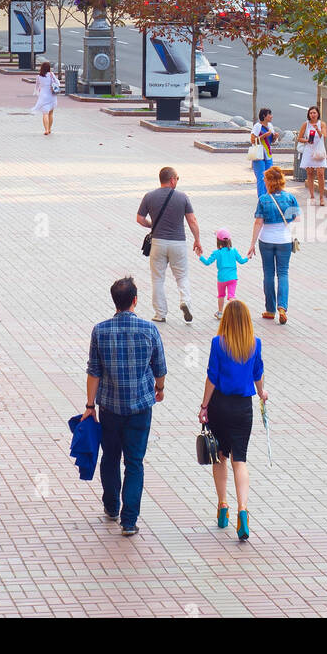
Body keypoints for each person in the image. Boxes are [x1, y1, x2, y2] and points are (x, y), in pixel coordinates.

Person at [83, 275, 166, 538]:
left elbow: (93, 371)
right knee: (134, 462)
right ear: (135, 300)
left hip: (109, 407)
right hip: (140, 406)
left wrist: (89, 405)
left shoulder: (100, 330)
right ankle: (129, 521)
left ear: (115, 301)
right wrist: (159, 388)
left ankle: (111, 506)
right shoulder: (149, 330)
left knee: (110, 457)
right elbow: (160, 368)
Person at [197, 299, 266, 542]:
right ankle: (243, 511)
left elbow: (212, 377)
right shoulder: (254, 344)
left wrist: (204, 405)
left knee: (220, 457)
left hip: (219, 406)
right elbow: (258, 374)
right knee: (240, 460)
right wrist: (262, 393)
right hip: (242, 409)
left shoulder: (218, 343)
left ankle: (222, 506)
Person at [136, 166, 202, 323]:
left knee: (158, 279)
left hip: (158, 243)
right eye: (177, 178)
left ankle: (160, 314)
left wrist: (151, 225)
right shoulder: (182, 197)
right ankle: (185, 301)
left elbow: (139, 218)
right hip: (178, 243)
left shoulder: (149, 196)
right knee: (182, 276)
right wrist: (197, 240)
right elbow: (192, 220)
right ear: (172, 180)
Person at [249, 164, 300, 325]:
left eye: (265, 179)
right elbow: (297, 219)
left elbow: (258, 222)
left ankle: (270, 310)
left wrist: (252, 244)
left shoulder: (263, 199)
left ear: (269, 182)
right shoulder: (290, 198)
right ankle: (282, 307)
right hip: (284, 240)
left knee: (269, 274)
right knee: (283, 274)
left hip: (266, 240)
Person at [199, 228, 250, 319]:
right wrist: (248, 257)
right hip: (233, 278)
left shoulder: (217, 252)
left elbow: (207, 262)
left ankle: (220, 312)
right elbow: (241, 261)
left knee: (221, 295)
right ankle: (235, 310)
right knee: (231, 296)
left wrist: (200, 256)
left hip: (221, 278)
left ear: (218, 241)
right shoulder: (234, 251)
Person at [297, 105, 327, 206]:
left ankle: (322, 197)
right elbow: (299, 138)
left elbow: (324, 137)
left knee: (320, 173)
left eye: (314, 113)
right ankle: (312, 196)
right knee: (310, 173)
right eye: (311, 113)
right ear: (308, 115)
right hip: (309, 150)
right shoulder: (305, 124)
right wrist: (306, 140)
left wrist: (317, 129)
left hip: (319, 150)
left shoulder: (321, 124)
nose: (312, 115)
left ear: (318, 114)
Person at [249, 107, 276, 199]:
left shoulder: (270, 126)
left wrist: (275, 137)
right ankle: (261, 197)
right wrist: (263, 136)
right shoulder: (257, 126)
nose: (271, 116)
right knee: (261, 177)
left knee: (269, 177)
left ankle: (268, 195)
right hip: (259, 155)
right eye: (269, 114)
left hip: (268, 154)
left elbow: (271, 141)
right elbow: (253, 140)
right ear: (264, 116)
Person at [32, 60, 61, 136]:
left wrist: (36, 93)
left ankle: (46, 130)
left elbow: (37, 86)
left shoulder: (38, 76)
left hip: (43, 96)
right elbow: (58, 83)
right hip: (52, 95)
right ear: (48, 68)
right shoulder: (51, 74)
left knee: (45, 113)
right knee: (51, 113)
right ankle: (50, 128)